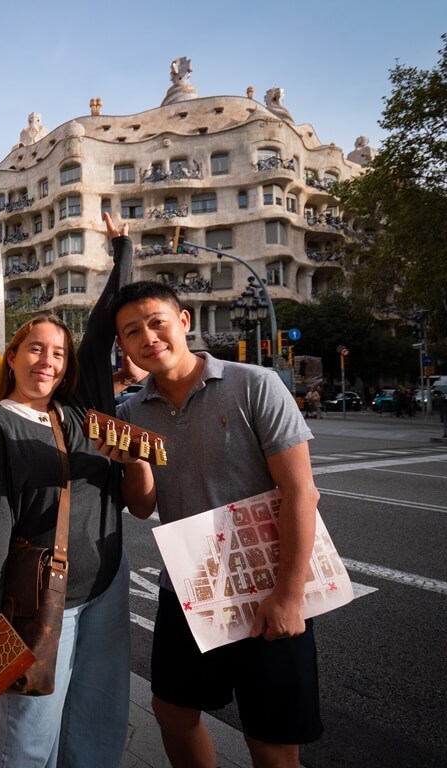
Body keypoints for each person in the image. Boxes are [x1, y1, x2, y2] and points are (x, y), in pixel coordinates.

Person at [104, 281, 322, 768]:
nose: (149, 336)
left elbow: (301, 491)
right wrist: (137, 461)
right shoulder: (131, 410)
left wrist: (289, 595)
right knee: (173, 711)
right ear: (124, 345)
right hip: (189, 585)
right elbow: (141, 508)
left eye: (157, 321)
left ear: (183, 322)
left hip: (265, 580)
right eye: (132, 331)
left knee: (271, 739)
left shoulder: (255, 384)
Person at [0, 215, 131, 767]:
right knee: (29, 736)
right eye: (35, 349)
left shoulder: (79, 412)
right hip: (38, 599)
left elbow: (105, 324)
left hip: (105, 587)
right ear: (11, 356)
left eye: (58, 353)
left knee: (97, 725)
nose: (47, 361)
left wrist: (123, 249)